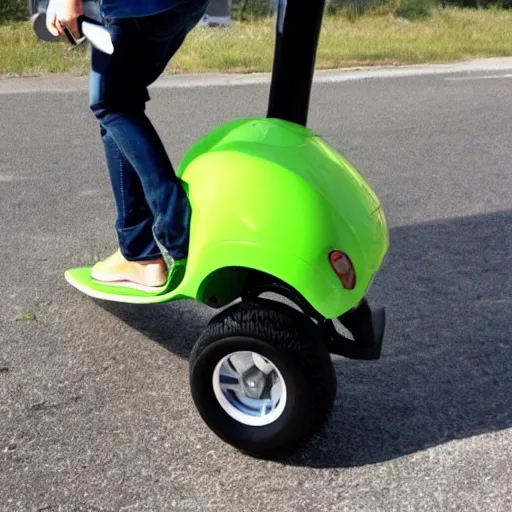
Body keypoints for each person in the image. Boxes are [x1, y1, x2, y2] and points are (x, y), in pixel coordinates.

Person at [46, 0, 209, 290]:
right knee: (122, 102)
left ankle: (174, 231)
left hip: (132, 8)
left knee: (112, 105)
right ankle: (137, 250)